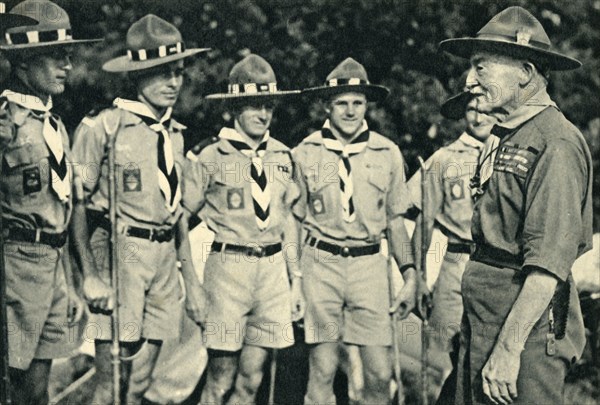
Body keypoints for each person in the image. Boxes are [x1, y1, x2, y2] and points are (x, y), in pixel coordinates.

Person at [440, 6, 593, 405]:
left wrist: (508, 351)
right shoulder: (511, 135)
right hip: (488, 319)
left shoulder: (555, 143)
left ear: (525, 72)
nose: (468, 81)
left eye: (481, 67)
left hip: (524, 330)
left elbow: (547, 264)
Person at [70, 14, 209, 404]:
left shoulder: (175, 135)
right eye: (162, 73)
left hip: (163, 261)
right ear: (136, 76)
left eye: (178, 72)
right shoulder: (103, 128)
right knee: (112, 379)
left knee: (143, 379)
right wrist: (91, 275)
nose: (174, 83)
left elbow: (177, 212)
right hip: (120, 255)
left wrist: (192, 281)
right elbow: (76, 205)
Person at [294, 57, 417, 404]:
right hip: (322, 264)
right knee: (323, 369)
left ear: (367, 105)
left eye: (358, 103)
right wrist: (293, 276)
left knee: (379, 372)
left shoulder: (387, 152)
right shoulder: (304, 153)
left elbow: (395, 221)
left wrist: (409, 274)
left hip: (369, 267)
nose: (350, 111)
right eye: (342, 103)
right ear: (327, 106)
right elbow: (294, 220)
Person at [182, 53, 303, 404]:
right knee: (220, 380)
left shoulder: (283, 156)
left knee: (252, 380)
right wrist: (192, 282)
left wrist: (296, 281)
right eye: (253, 106)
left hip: (272, 273)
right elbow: (179, 220)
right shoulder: (210, 155)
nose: (263, 114)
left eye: (268, 105)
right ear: (235, 108)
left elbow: (289, 220)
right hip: (228, 271)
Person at [0, 1, 100, 402]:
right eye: (55, 56)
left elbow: (67, 207)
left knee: (37, 392)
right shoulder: (6, 123)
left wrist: (75, 280)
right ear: (22, 64)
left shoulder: (55, 125)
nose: (67, 66)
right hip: (13, 268)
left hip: (53, 266)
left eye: (69, 55)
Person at [408, 79, 497, 404]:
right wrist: (416, 276)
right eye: (471, 109)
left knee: (489, 357)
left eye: (485, 108)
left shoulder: (511, 156)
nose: (478, 115)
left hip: (496, 268)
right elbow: (420, 218)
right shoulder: (444, 159)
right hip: (455, 265)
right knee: (441, 357)